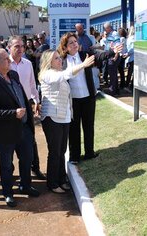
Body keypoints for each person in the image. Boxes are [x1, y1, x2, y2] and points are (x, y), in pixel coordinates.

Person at [0, 49, 40, 208]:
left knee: (27, 158)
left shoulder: (13, 75)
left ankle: (25, 185)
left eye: (8, 58)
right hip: (5, 131)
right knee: (6, 164)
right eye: (6, 59)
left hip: (23, 127)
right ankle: (8, 193)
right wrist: (13, 113)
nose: (9, 61)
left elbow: (21, 97)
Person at [58, 32, 122, 164]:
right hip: (73, 101)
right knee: (74, 128)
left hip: (88, 98)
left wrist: (111, 51)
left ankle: (89, 152)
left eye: (75, 41)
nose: (75, 44)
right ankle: (75, 156)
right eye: (71, 42)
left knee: (88, 125)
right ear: (65, 47)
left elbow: (99, 56)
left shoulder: (84, 55)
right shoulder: (62, 61)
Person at [39, 49, 95, 193]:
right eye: (56, 58)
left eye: (59, 57)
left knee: (62, 151)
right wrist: (82, 65)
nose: (60, 60)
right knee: (55, 152)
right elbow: (66, 74)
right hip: (52, 118)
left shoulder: (58, 74)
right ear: (49, 62)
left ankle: (61, 180)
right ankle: (52, 183)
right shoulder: (48, 74)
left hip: (63, 118)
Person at [8, 36, 46, 180]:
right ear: (9, 47)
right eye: (16, 46)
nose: (20, 49)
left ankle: (35, 167)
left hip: (27, 104)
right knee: (10, 140)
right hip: (10, 108)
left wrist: (37, 100)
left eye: (22, 46)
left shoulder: (28, 63)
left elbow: (31, 84)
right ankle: (10, 173)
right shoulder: (4, 64)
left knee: (30, 138)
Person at [103, 22, 121, 95]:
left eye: (105, 28)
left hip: (113, 56)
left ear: (108, 28)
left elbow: (118, 45)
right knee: (113, 74)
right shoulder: (109, 35)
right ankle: (115, 90)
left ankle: (112, 90)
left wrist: (115, 56)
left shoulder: (114, 34)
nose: (104, 30)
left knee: (112, 74)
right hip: (110, 56)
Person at [125, 26, 135, 94]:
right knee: (133, 73)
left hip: (129, 58)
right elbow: (132, 49)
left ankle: (127, 85)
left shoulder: (128, 39)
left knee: (129, 72)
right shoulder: (134, 39)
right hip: (133, 57)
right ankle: (131, 86)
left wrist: (127, 54)